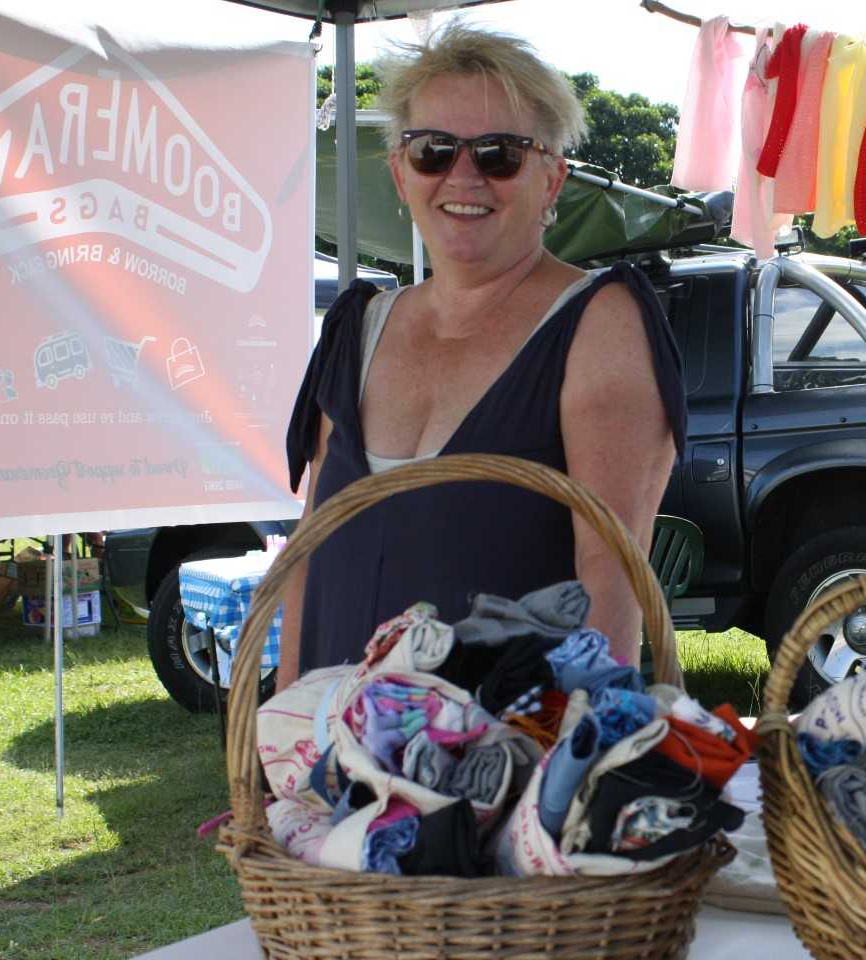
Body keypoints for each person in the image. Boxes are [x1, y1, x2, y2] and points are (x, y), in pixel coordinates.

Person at [275, 24, 685, 689]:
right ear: (400, 173)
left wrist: (585, 742)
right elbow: (308, 551)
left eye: (500, 154)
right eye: (433, 150)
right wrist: (279, 730)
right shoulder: (357, 327)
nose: (463, 176)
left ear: (551, 180)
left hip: (509, 745)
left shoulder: (598, 324)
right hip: (338, 742)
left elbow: (611, 579)